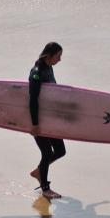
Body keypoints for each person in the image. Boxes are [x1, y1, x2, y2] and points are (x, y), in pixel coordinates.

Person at [29, 42, 66, 199]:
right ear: (49, 55)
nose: (60, 59)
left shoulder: (49, 68)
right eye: (58, 56)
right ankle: (45, 189)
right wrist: (35, 125)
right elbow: (33, 100)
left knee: (60, 151)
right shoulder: (36, 72)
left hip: (50, 118)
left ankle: (38, 171)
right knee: (46, 152)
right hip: (38, 120)